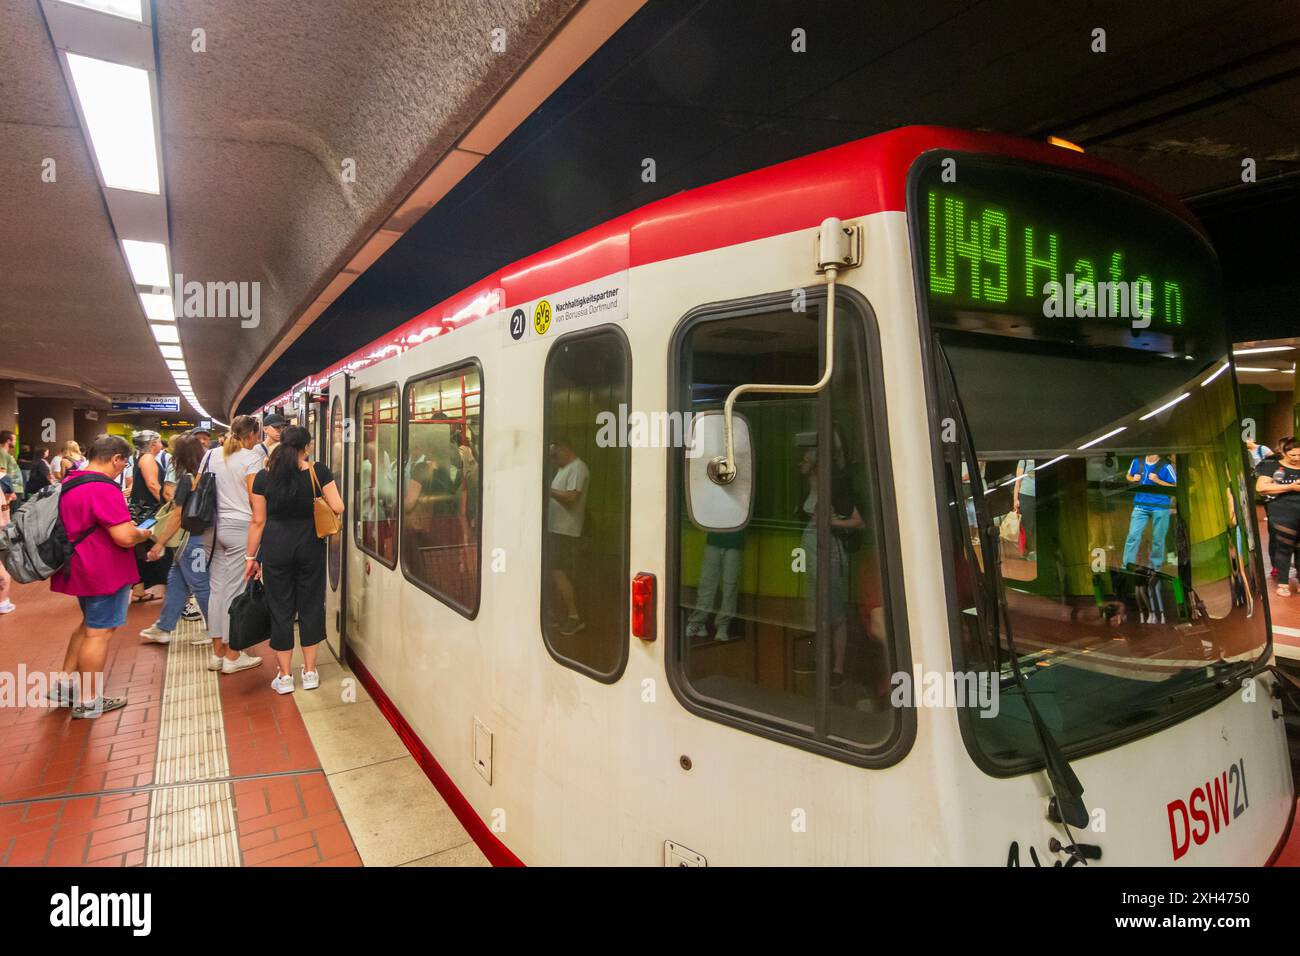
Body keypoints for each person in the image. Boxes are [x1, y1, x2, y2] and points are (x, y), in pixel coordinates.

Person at [48, 435, 153, 718]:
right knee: (99, 632)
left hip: (79, 564)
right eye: (124, 463)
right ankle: (89, 699)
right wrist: (143, 532)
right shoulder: (102, 487)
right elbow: (123, 536)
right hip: (103, 569)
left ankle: (65, 684)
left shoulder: (72, 480)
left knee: (88, 625)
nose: (123, 468)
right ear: (116, 458)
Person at [244, 425, 343, 694]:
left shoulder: (264, 477)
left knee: (280, 609)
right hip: (310, 546)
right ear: (306, 447)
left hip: (276, 548)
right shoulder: (317, 471)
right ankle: (310, 672)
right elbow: (338, 507)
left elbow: (258, 521)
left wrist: (251, 557)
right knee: (311, 606)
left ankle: (285, 677)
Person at [797, 442, 865, 690]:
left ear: (816, 463)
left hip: (830, 551)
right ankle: (821, 660)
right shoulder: (807, 487)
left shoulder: (836, 488)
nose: (800, 464)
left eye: (805, 460)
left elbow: (859, 523)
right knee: (818, 609)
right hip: (812, 550)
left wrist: (830, 522)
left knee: (835, 610)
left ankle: (838, 667)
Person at [138, 435, 214, 645]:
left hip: (192, 542)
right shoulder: (207, 476)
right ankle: (164, 626)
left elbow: (177, 515)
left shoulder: (187, 480)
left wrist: (160, 542)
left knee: (200, 585)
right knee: (176, 581)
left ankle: (214, 630)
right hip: (200, 538)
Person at [205, 415, 264, 674]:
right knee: (236, 591)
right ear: (251, 434)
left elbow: (200, 487)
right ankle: (232, 655)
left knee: (217, 590)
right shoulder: (251, 458)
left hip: (212, 528)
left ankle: (217, 653)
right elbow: (256, 502)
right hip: (240, 528)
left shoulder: (211, 455)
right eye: (257, 435)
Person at [547, 438, 589, 636]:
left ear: (565, 449)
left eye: (555, 454)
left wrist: (548, 490)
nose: (553, 459)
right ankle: (559, 614)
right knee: (555, 573)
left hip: (566, 530)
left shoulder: (578, 468)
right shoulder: (563, 469)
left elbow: (572, 497)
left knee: (559, 572)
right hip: (556, 529)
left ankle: (574, 616)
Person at [128, 430, 170, 602]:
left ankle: (139, 588)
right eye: (159, 441)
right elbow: (153, 485)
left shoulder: (142, 457)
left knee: (140, 548)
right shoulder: (147, 459)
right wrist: (167, 504)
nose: (161, 444)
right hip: (148, 513)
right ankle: (173, 586)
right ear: (153, 444)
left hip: (141, 511)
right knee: (162, 544)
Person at [1256, 438, 1300, 598]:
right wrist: (1291, 487)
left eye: (1299, 454)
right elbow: (1261, 488)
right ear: (1284, 452)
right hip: (1283, 511)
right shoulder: (1272, 465)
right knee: (1285, 546)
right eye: (1293, 454)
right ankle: (1283, 583)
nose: (1296, 458)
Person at [1123, 453, 1176, 572]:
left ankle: (1156, 567)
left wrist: (1158, 480)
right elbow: (1128, 475)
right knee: (1133, 535)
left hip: (1160, 506)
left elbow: (1174, 487)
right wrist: (1133, 478)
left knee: (1158, 539)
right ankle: (1127, 565)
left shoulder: (1166, 466)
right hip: (1140, 506)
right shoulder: (1137, 461)